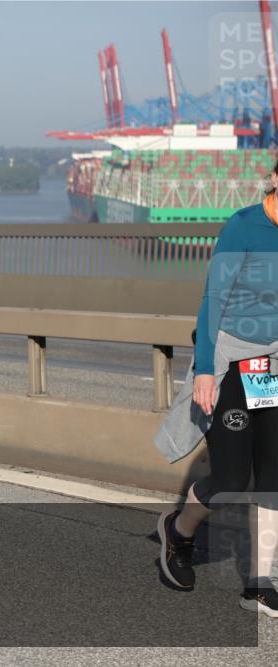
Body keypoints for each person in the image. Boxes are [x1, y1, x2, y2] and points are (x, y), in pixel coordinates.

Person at [154, 161, 278, 617]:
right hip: (229, 361)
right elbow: (214, 301)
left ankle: (261, 584)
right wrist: (205, 370)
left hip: (268, 365)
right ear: (276, 178)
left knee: (273, 476)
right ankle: (178, 532)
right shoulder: (243, 226)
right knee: (229, 480)